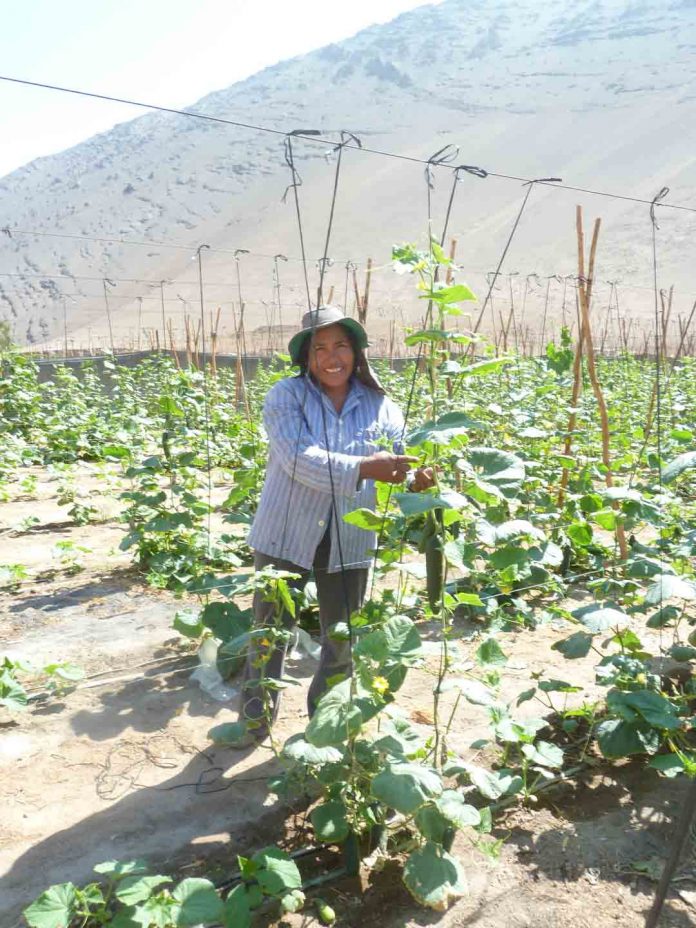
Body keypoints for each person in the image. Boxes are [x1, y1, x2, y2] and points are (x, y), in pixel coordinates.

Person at [238, 305, 433, 743]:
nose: (331, 357)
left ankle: (324, 731)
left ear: (357, 352)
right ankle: (253, 722)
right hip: (285, 533)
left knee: (341, 639)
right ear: (306, 358)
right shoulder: (287, 396)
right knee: (269, 633)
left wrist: (416, 481)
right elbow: (296, 459)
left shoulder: (384, 407)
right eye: (319, 348)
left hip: (351, 534)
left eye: (341, 345)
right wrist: (366, 467)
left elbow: (397, 470)